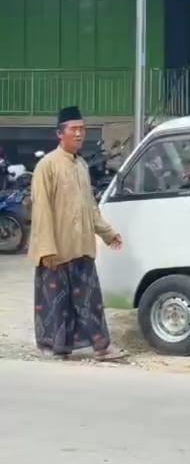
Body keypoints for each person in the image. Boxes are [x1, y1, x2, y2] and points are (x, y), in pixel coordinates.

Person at [29, 106, 126, 361]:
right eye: (74, 129)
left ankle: (102, 348)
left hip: (81, 246)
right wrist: (46, 248)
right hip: (57, 249)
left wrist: (108, 233)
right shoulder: (46, 166)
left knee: (90, 302)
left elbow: (90, 207)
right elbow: (41, 210)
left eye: (82, 129)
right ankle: (58, 349)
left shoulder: (81, 165)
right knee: (56, 304)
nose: (80, 134)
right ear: (60, 134)